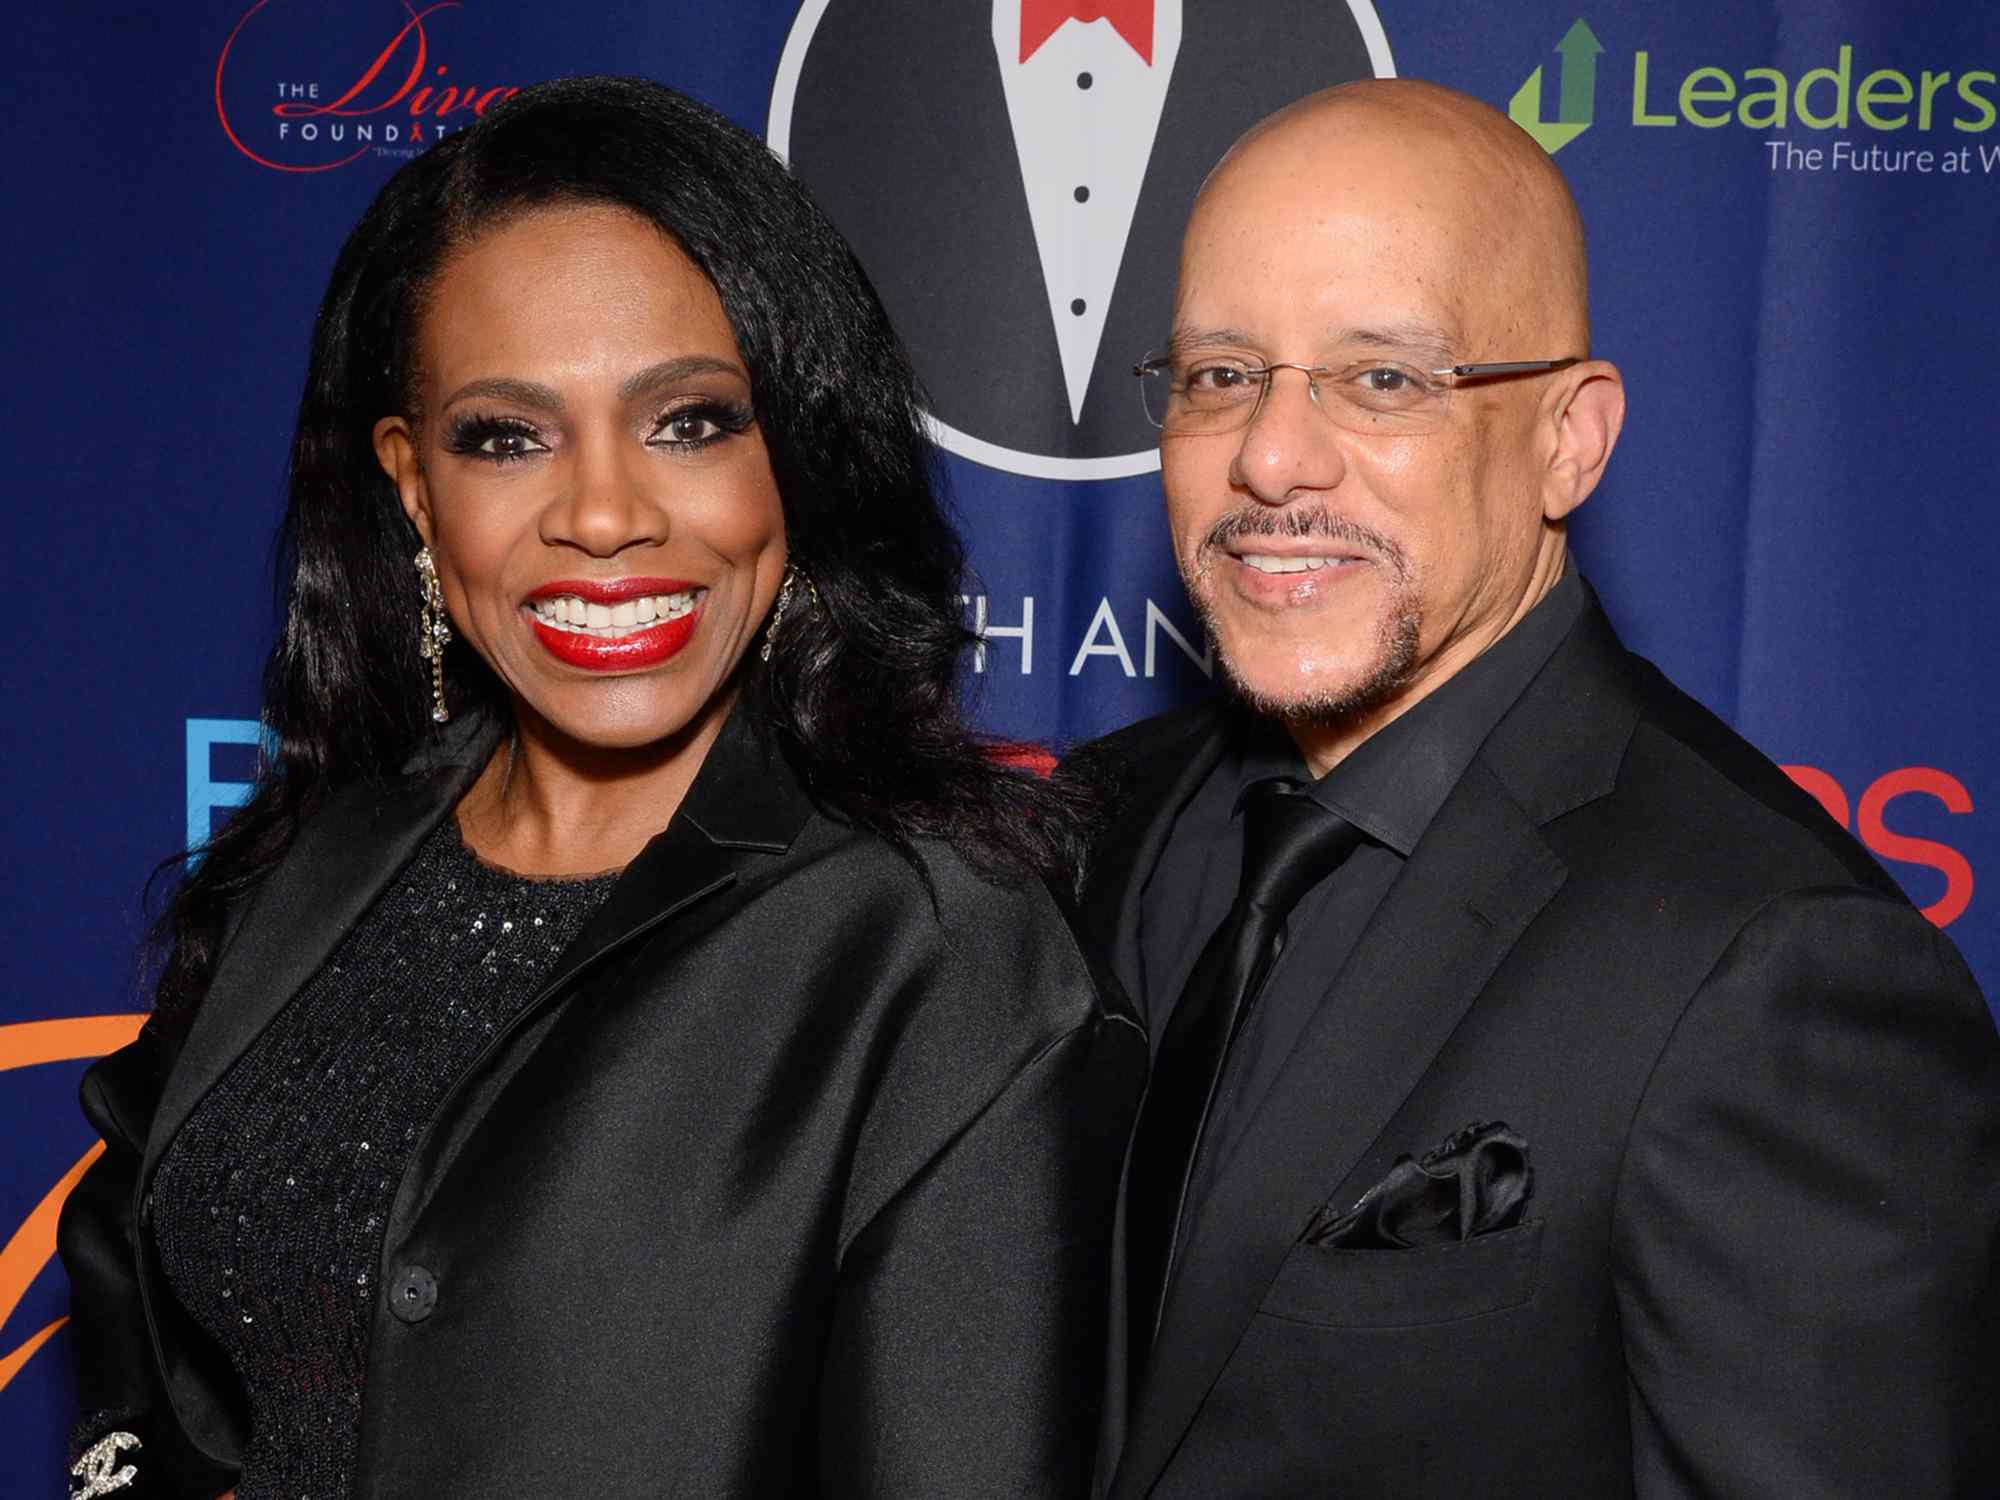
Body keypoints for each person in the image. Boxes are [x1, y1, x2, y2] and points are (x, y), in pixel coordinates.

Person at [59, 75, 1144, 1500]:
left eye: (690, 421)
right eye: (506, 436)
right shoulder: (325, 856)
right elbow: (140, 1269)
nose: (603, 514)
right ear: (411, 487)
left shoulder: (942, 954)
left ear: (797, 465)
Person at [1073, 79, 2000, 1498]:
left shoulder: (1774, 967)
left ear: (1570, 437)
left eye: (1384, 378)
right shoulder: (1092, 831)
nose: (1269, 454)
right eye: (1220, 375)